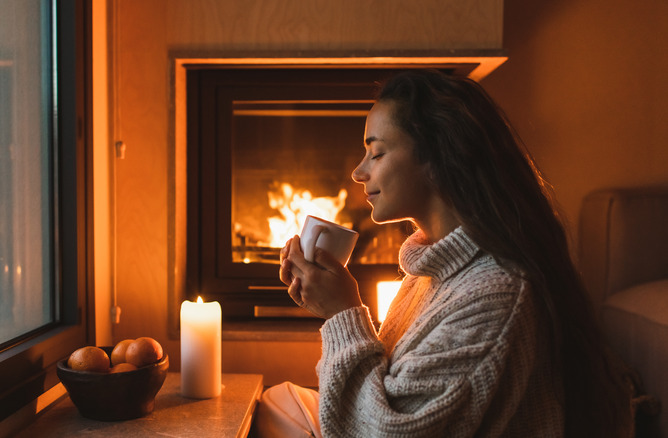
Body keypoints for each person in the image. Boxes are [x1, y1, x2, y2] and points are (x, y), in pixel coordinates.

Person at [254, 69, 632, 437]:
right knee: (278, 401)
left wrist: (342, 313)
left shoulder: (498, 294)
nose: (358, 172)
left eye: (377, 153)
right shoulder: (432, 273)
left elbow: (388, 431)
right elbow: (391, 386)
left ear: (437, 158)